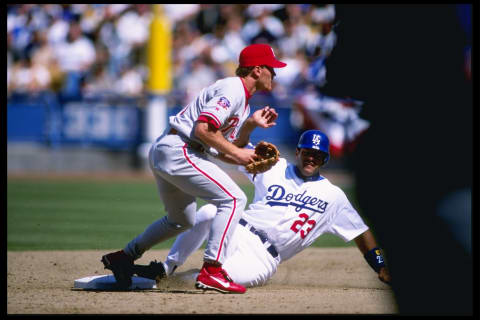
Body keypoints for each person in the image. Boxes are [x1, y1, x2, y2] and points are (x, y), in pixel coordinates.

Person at [101, 43, 287, 294]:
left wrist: (249, 131)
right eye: (271, 69)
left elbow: (222, 149)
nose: (274, 74)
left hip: (173, 149)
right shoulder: (233, 87)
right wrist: (239, 153)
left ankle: (124, 257)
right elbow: (203, 130)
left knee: (182, 219)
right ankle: (212, 270)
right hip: (181, 149)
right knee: (234, 199)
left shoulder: (243, 104)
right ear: (256, 70)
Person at [135, 130, 391, 290]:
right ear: (299, 152)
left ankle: (164, 283)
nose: (311, 157)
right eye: (307, 152)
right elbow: (237, 146)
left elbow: (362, 232)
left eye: (318, 154)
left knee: (203, 281)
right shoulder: (275, 166)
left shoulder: (334, 197)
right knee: (208, 213)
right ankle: (166, 268)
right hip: (238, 230)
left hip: (263, 259)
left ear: (325, 159)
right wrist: (250, 125)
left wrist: (379, 266)